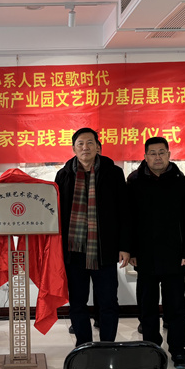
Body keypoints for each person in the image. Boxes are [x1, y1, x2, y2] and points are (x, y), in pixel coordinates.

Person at [55, 127, 130, 346]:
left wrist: (125, 246)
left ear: (98, 146)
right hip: (74, 251)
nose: (85, 147)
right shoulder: (64, 174)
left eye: (90, 143)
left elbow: (124, 211)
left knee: (108, 302)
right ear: (73, 148)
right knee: (77, 302)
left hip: (104, 249)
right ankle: (83, 345)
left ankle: (107, 346)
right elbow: (57, 213)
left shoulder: (113, 173)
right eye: (80, 144)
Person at [127, 137, 185, 369]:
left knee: (175, 306)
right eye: (152, 153)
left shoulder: (182, 182)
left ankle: (178, 351)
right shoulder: (134, 182)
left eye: (161, 152)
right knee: (147, 306)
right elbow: (129, 220)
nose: (157, 157)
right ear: (145, 156)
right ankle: (151, 349)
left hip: (175, 256)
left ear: (168, 154)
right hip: (144, 255)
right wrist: (131, 250)